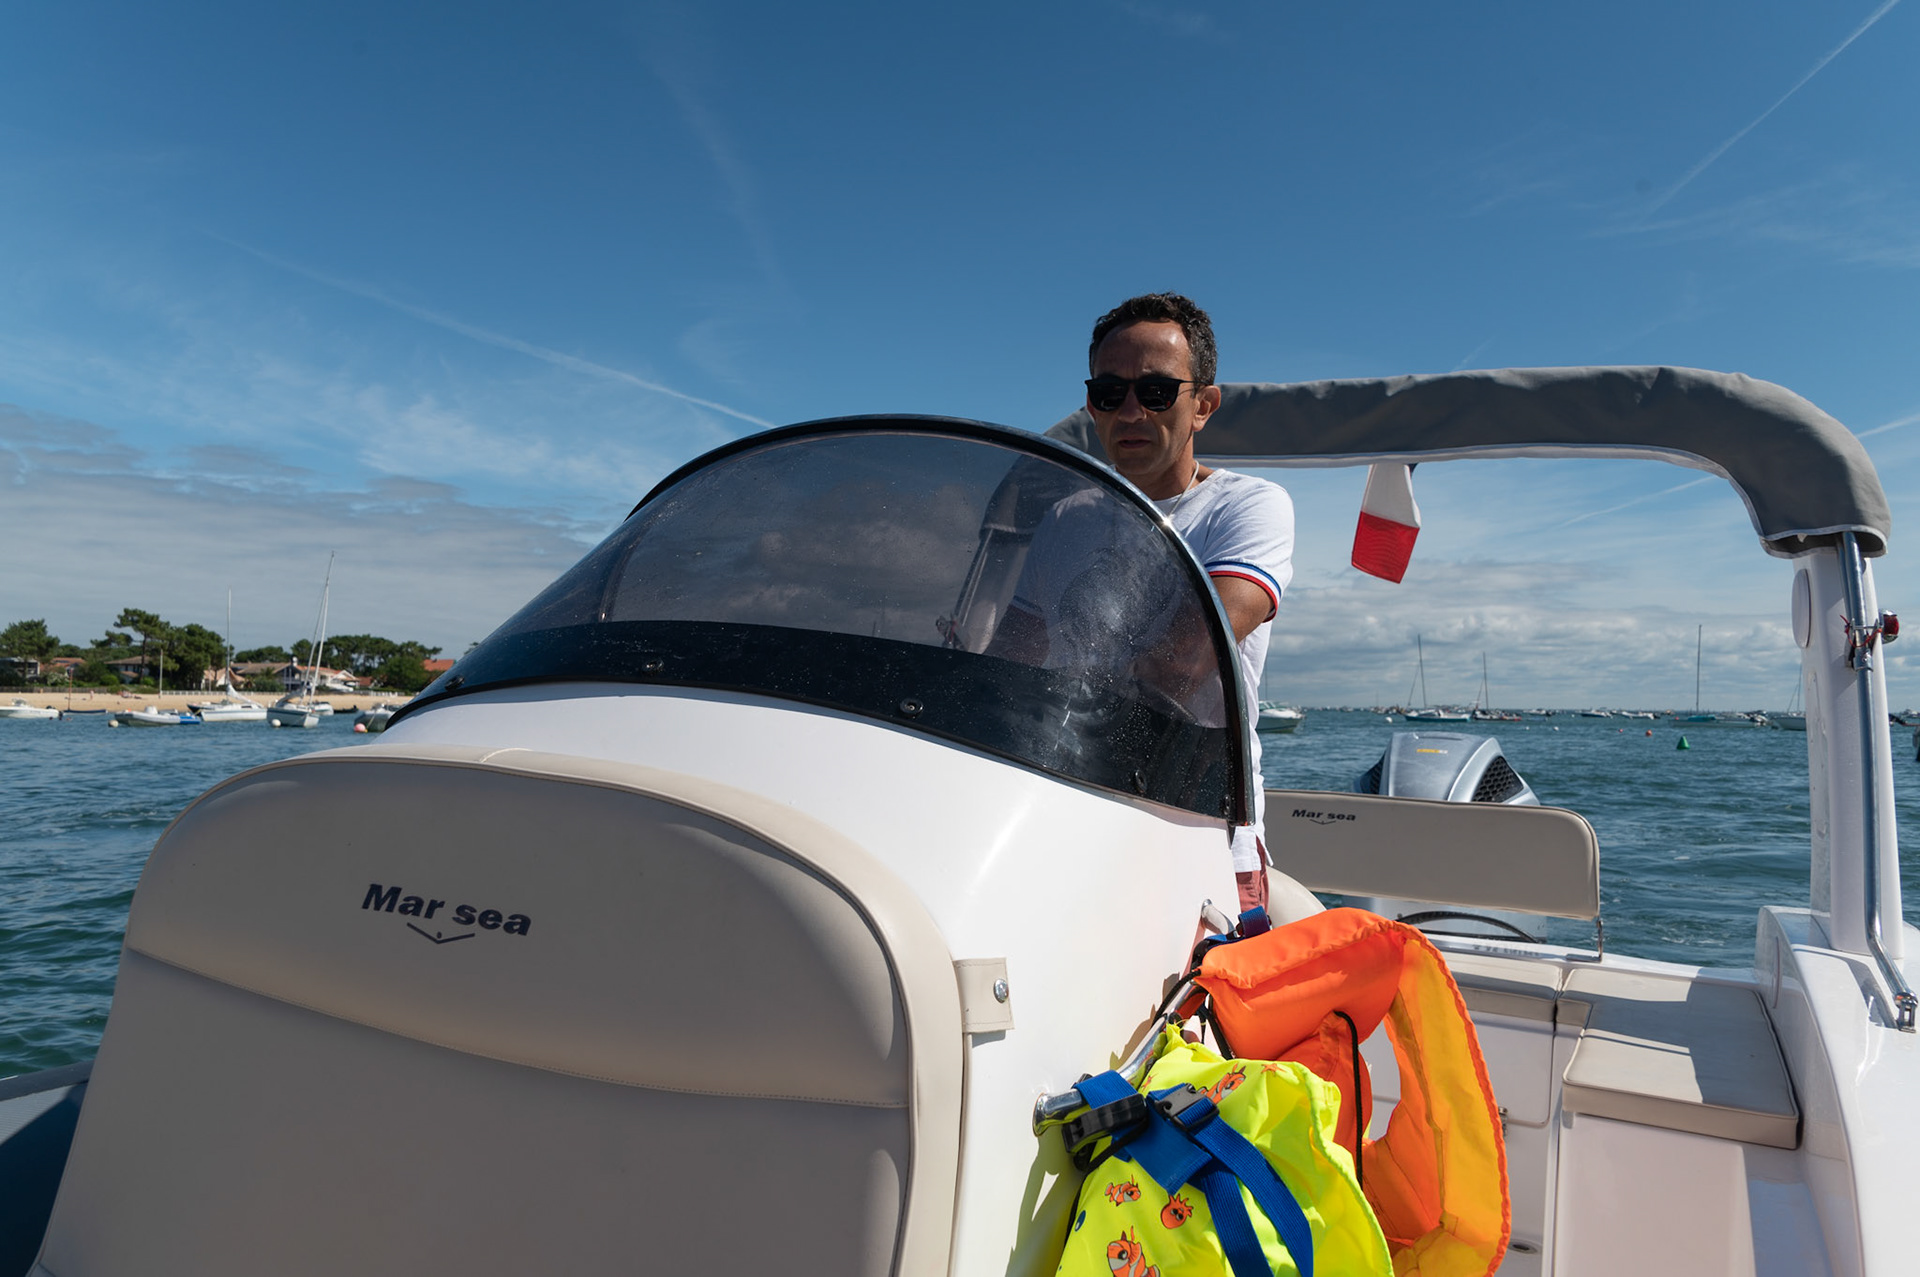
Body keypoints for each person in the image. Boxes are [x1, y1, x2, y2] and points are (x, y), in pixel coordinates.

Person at [1082, 293, 1294, 913]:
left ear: (1203, 405)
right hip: (1069, 813)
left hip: (1202, 836)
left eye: (1155, 392)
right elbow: (1009, 652)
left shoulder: (1247, 507)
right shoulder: (1063, 519)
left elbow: (1186, 658)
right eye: (1109, 392)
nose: (1130, 411)